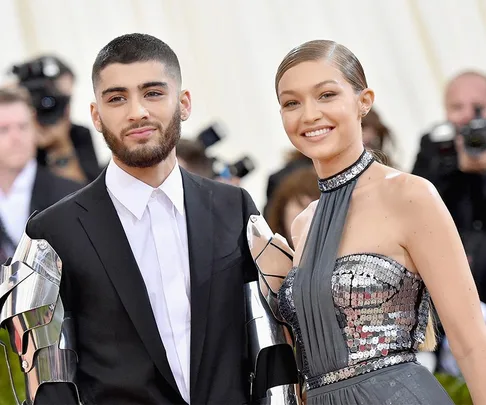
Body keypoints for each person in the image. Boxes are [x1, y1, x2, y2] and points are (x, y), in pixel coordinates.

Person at [22, 33, 259, 405]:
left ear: (183, 103)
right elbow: (50, 382)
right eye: (117, 98)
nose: (137, 112)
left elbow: (265, 345)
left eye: (152, 93)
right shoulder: (54, 230)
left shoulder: (234, 206)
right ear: (96, 115)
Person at [272, 39, 486, 404]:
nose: (308, 115)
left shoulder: (410, 195)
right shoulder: (303, 224)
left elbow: (469, 340)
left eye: (326, 95)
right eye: (292, 102)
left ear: (363, 102)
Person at [0, 87, 81, 262]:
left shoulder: (70, 194)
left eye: (23, 126)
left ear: (34, 129)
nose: (16, 137)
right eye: (4, 129)